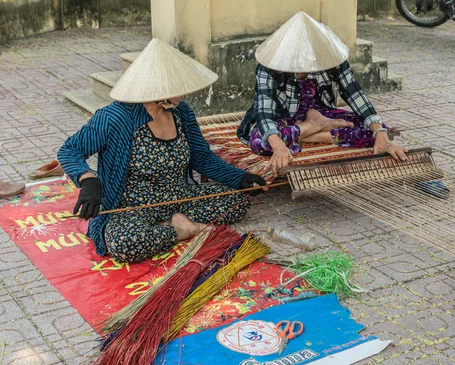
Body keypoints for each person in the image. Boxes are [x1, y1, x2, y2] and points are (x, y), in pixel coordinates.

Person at [58, 38, 266, 263]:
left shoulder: (181, 112)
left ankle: (171, 222)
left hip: (179, 196)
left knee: (238, 201)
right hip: (133, 204)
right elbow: (70, 150)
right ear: (156, 88)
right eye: (177, 89)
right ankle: (180, 230)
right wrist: (88, 180)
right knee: (125, 244)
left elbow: (202, 158)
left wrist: (240, 178)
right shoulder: (114, 117)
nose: (184, 94)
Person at [237, 11, 408, 175]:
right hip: (282, 116)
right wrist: (279, 145)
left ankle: (308, 131)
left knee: (378, 131)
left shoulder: (329, 56)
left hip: (320, 113)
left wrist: (379, 133)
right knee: (263, 143)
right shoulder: (269, 65)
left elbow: (353, 91)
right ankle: (313, 128)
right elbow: (264, 110)